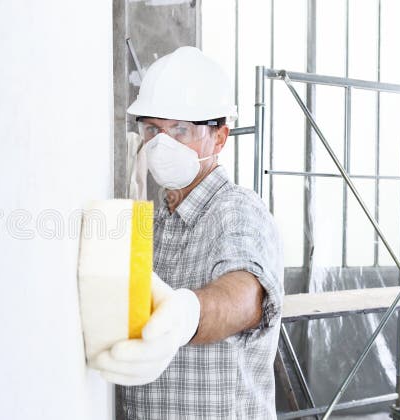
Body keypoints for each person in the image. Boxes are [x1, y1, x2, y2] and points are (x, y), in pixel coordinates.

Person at [90, 46, 284, 419]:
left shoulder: (236, 210)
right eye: (153, 129)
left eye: (181, 129)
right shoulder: (154, 224)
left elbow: (246, 295)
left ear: (220, 138)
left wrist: (186, 316)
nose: (162, 144)